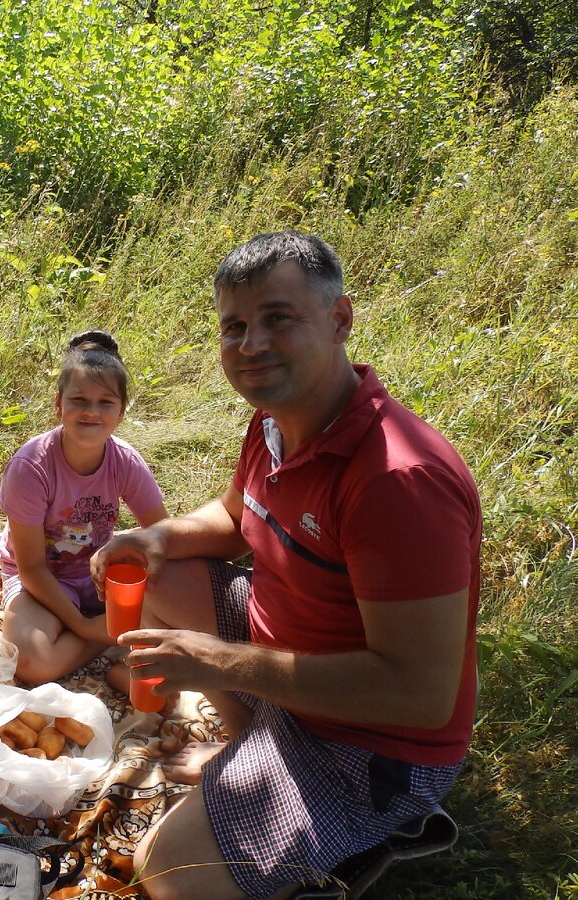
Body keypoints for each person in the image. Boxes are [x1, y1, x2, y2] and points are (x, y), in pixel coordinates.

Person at [91, 232, 481, 900]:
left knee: (166, 872)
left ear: (340, 320)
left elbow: (418, 692)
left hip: (368, 744)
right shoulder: (274, 422)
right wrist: (161, 540)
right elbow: (239, 519)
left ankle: (329, 841)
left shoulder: (396, 480)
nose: (251, 346)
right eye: (234, 327)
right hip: (289, 664)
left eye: (278, 318)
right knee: (161, 576)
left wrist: (215, 662)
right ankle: (252, 745)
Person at [0, 330, 168, 685]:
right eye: (79, 400)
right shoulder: (30, 467)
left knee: (179, 582)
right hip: (41, 578)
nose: (92, 412)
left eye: (106, 402)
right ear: (58, 404)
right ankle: (113, 635)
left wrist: (135, 557)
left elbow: (163, 531)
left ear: (121, 411)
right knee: (30, 663)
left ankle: (109, 631)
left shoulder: (125, 461)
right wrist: (85, 627)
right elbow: (30, 566)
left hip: (97, 569)